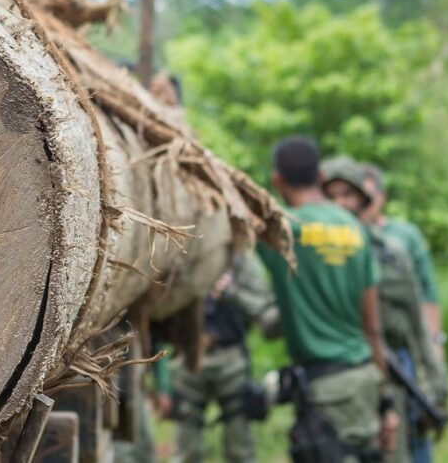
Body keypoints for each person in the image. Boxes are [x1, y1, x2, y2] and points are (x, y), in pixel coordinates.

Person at [255, 137, 397, 460]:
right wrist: (385, 398)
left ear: (278, 179)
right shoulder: (355, 228)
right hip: (364, 380)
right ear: (320, 174)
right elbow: (372, 326)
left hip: (324, 392)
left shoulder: (281, 231)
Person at [323, 158, 447, 463]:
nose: (339, 204)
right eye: (332, 195)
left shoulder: (392, 253)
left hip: (393, 367)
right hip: (338, 377)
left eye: (347, 194)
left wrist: (436, 378)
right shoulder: (315, 252)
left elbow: (417, 317)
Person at [167, 253, 280, 462]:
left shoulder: (242, 261)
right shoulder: (184, 254)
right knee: (186, 448)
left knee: (240, 446)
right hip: (189, 359)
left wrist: (232, 293)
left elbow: (266, 313)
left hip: (231, 359)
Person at [359, 163, 445, 360]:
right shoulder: (349, 237)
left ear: (382, 197)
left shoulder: (406, 234)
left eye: (368, 197)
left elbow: (427, 290)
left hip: (407, 339)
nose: (361, 203)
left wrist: (436, 341)